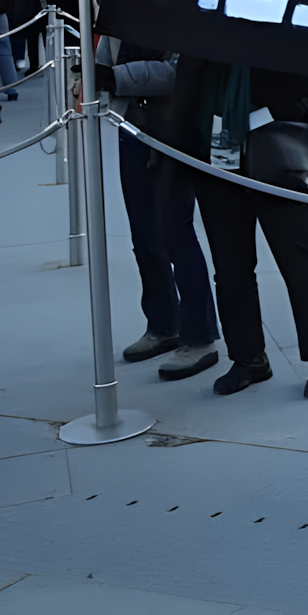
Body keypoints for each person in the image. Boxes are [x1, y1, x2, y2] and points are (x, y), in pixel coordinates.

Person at [167, 56, 308, 399]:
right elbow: (187, 81)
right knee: (230, 265)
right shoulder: (197, 28)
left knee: (297, 257)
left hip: (277, 137)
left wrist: (252, 87)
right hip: (214, 146)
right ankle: (248, 358)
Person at [94, 38, 221, 382]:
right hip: (132, 126)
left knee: (176, 231)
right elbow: (106, 56)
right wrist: (97, 77)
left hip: (175, 127)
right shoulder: (120, 13)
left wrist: (115, 77)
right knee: (144, 234)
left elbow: (182, 69)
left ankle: (199, 336)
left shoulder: (174, 9)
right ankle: (163, 325)